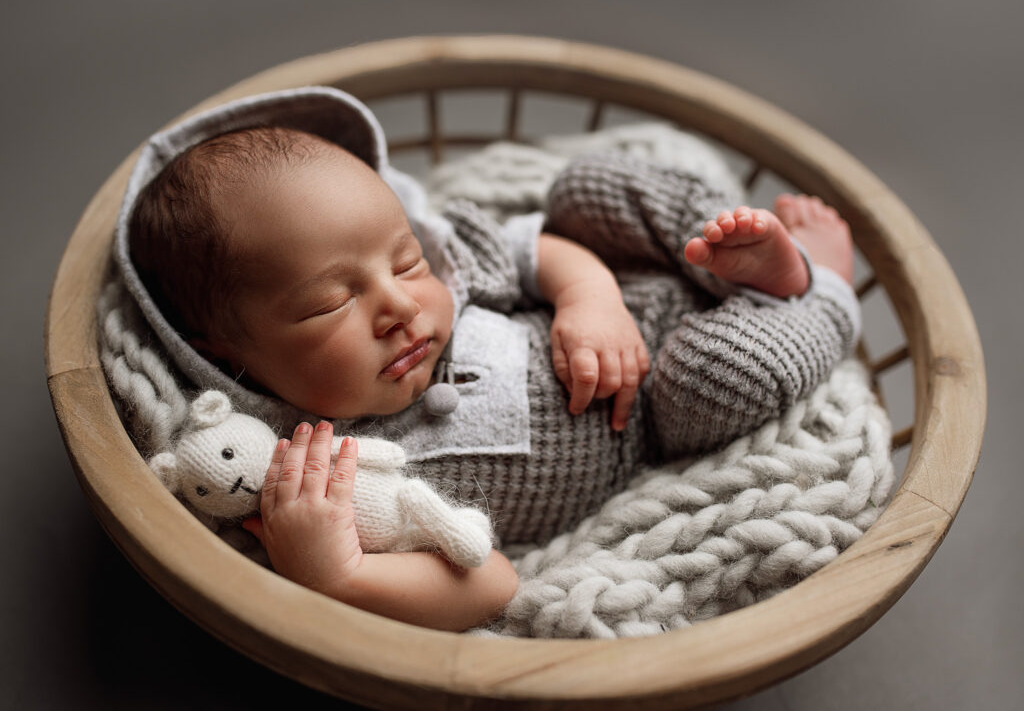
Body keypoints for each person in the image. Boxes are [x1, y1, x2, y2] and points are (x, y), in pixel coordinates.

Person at [122, 90, 858, 632]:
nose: (400, 304)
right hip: (659, 408)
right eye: (330, 304)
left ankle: (739, 258)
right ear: (223, 354)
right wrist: (338, 573)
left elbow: (533, 251)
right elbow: (489, 584)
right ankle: (818, 288)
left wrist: (588, 297)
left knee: (585, 192)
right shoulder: (334, 480)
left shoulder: (453, 268)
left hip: (629, 288)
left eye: (406, 260)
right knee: (720, 377)